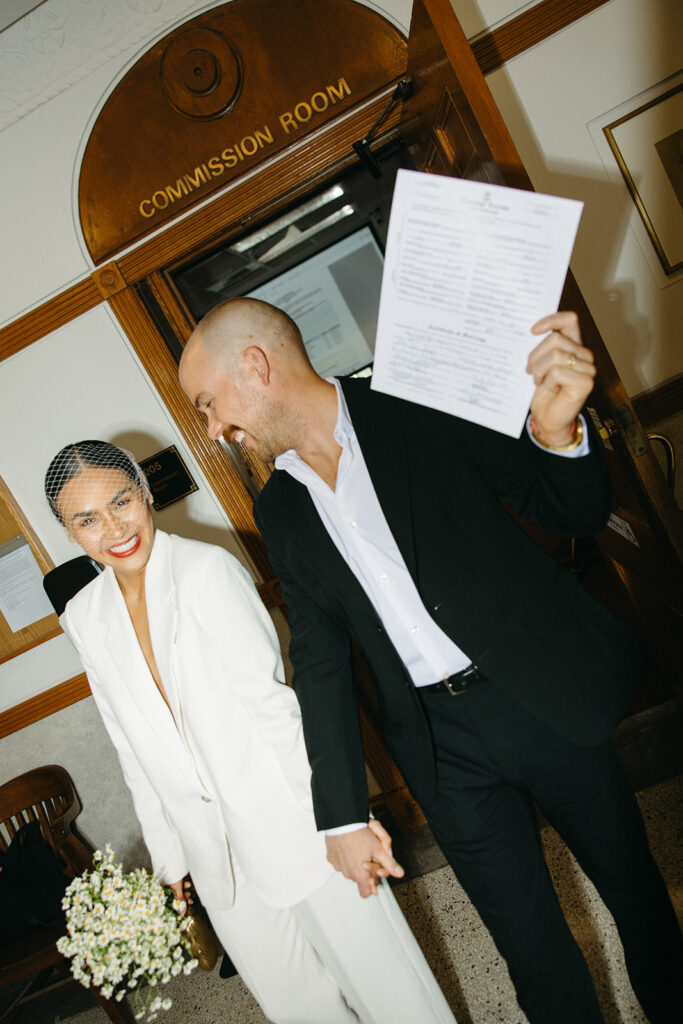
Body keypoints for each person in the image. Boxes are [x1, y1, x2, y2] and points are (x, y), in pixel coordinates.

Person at [179, 297, 683, 1024]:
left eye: (209, 402)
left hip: (537, 694)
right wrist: (341, 817)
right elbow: (318, 662)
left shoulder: (415, 404)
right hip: (439, 747)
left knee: (635, 895)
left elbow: (564, 510)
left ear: (255, 367)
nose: (213, 427)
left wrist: (556, 428)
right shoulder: (280, 515)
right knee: (530, 950)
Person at [45, 440, 457, 1024]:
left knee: (390, 990)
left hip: (296, 822)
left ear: (143, 491)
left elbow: (274, 706)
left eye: (121, 501)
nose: (114, 528)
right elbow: (130, 746)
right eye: (88, 519)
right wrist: (172, 861)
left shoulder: (206, 569)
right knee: (297, 1008)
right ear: (69, 532)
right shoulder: (84, 617)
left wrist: (342, 815)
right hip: (216, 861)